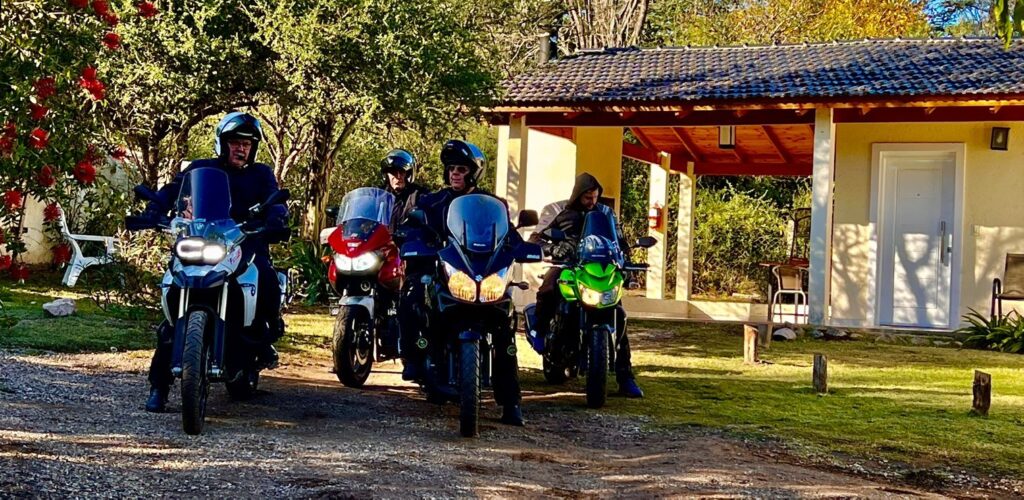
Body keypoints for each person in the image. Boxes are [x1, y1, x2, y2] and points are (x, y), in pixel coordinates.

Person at [144, 111, 289, 412]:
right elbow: (174, 189)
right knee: (173, 295)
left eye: (247, 144)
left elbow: (275, 199)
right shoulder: (201, 168)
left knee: (265, 275)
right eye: (235, 142)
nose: (241, 148)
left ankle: (264, 336)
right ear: (222, 143)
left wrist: (276, 219)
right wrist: (155, 207)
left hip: (245, 242)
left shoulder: (261, 174)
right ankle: (159, 385)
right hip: (203, 241)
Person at [397, 139, 526, 426]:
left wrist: (523, 248)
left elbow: (509, 235)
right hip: (445, 272)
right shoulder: (432, 202)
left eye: (462, 169)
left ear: (474, 173)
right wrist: (411, 238)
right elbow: (412, 227)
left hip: (483, 275)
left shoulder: (492, 205)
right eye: (452, 169)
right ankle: (414, 359)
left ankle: (512, 402)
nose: (455, 173)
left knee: (505, 330)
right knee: (412, 293)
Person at [529, 172, 644, 398]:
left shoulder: (606, 213)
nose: (592, 201)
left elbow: (620, 243)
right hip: (568, 265)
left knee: (617, 311)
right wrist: (554, 248)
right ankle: (540, 332)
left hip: (599, 269)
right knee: (548, 289)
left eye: (595, 197)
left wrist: (627, 266)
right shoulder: (557, 210)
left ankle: (626, 377)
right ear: (578, 194)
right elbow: (536, 239)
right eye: (587, 197)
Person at [379, 149, 428, 229]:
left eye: (402, 171)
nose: (398, 176)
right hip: (382, 236)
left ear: (408, 174)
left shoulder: (419, 194)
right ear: (387, 175)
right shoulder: (378, 196)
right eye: (393, 172)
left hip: (408, 236)